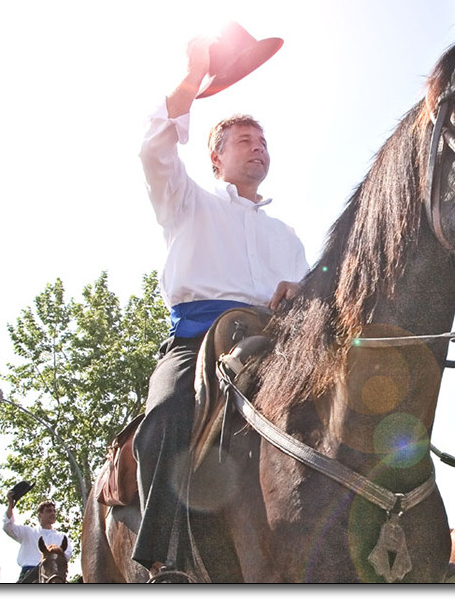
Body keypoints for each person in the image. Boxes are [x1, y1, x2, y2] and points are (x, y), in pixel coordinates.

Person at [132, 36, 309, 582]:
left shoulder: (288, 236)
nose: (257, 147)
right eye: (243, 140)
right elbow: (153, 150)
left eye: (262, 140)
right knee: (164, 416)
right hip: (199, 342)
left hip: (277, 346)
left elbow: (312, 299)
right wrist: (192, 80)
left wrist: (300, 300)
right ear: (216, 157)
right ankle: (165, 559)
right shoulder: (187, 202)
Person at [2, 494, 73, 582]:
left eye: (54, 511)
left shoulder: (62, 536)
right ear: (40, 515)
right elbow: (8, 527)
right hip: (29, 574)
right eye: (49, 511)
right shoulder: (28, 532)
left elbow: (67, 555)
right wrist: (10, 505)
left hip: (53, 574)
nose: (53, 513)